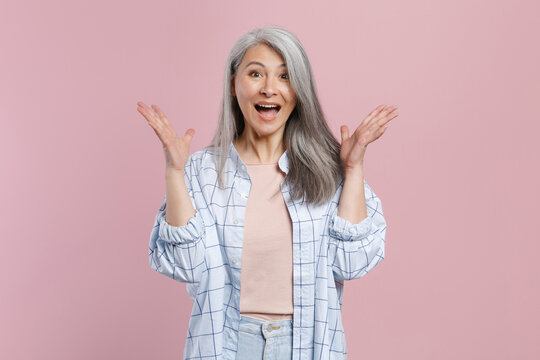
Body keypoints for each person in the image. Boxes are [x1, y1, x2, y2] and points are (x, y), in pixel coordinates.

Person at [137, 26, 398, 360]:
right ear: (233, 84)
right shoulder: (202, 172)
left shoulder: (329, 169)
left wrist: (352, 170)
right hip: (226, 345)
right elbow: (186, 266)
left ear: (299, 89)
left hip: (307, 344)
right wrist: (175, 173)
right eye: (255, 73)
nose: (270, 89)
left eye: (285, 76)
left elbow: (353, 262)